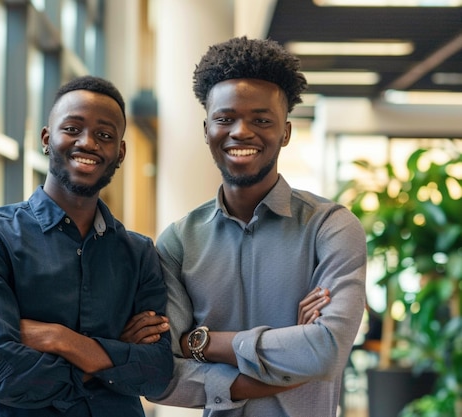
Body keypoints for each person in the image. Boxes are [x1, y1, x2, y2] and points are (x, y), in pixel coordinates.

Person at [148, 37, 367, 416]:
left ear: (285, 132)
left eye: (261, 120)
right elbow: (161, 377)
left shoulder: (330, 228)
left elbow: (326, 351)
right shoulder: (178, 242)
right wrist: (291, 355)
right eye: (225, 118)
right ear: (206, 130)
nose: (241, 132)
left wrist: (198, 342)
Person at [0, 75, 174, 417]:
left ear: (120, 152)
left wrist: (60, 339)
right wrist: (113, 357)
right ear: (46, 138)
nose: (88, 142)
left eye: (105, 135)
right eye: (72, 128)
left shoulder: (140, 254)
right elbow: (3, 374)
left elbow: (156, 372)